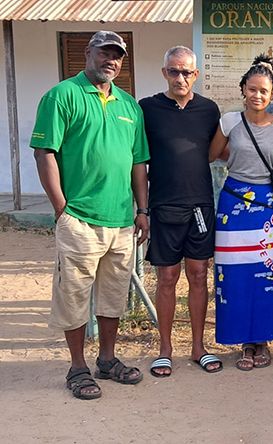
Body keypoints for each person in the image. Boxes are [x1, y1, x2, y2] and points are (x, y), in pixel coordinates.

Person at [30, 31, 148, 399]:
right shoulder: (61, 96)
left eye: (117, 56)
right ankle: (78, 367)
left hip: (120, 221)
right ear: (89, 53)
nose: (110, 61)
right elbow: (45, 152)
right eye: (104, 53)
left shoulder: (129, 106)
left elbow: (138, 162)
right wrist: (61, 209)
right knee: (75, 296)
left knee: (113, 297)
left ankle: (108, 360)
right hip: (79, 219)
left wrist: (142, 210)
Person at [140, 46, 222, 377]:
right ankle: (164, 349)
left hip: (201, 206)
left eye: (187, 72)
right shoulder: (147, 108)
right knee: (167, 278)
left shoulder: (208, 109)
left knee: (199, 275)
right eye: (174, 71)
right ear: (164, 74)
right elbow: (137, 161)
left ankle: (198, 347)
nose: (180, 78)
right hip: (163, 206)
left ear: (196, 75)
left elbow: (218, 152)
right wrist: (142, 208)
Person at [208, 55, 273, 371]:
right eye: (252, 89)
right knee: (236, 277)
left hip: (266, 210)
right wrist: (239, 157)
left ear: (272, 95)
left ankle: (264, 341)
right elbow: (214, 154)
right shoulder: (228, 122)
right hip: (232, 208)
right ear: (243, 89)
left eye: (264, 91)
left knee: (266, 275)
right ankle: (244, 342)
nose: (257, 96)